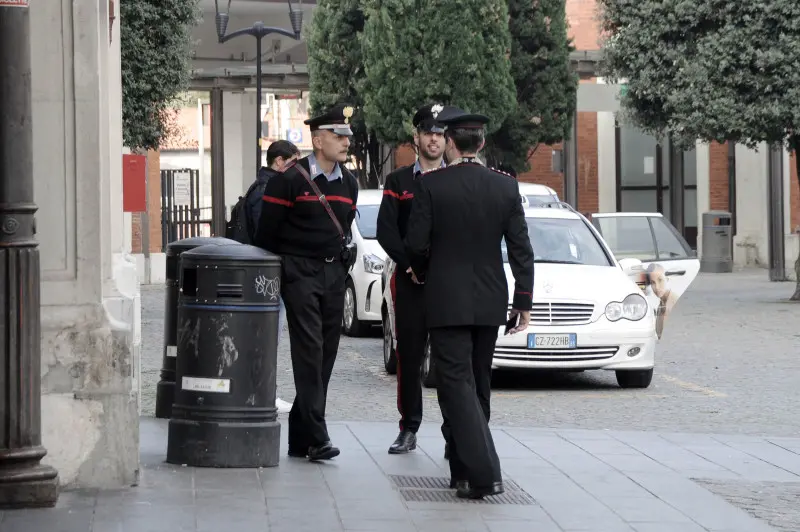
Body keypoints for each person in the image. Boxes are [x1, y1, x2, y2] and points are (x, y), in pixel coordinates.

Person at [404, 106, 534, 499]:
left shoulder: (432, 185)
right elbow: (521, 250)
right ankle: (461, 470)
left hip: (446, 299)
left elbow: (415, 244)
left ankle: (483, 471)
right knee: (478, 384)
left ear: (449, 142)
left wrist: (423, 271)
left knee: (455, 384)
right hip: (490, 298)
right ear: (480, 142)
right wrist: (522, 301)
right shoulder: (505, 186)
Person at [255, 104, 359, 461]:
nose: (346, 142)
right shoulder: (290, 180)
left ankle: (301, 437)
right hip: (299, 273)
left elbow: (343, 227)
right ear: (317, 139)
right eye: (338, 135)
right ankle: (318, 434)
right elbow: (266, 233)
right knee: (309, 351)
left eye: (347, 136)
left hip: (334, 274)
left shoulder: (350, 183)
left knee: (326, 353)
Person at [376, 103, 446, 455]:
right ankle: (409, 427)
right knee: (409, 354)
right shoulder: (399, 181)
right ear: (416, 137)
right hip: (409, 281)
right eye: (428, 132)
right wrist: (409, 265)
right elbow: (385, 231)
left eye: (440, 133)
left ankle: (456, 428)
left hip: (448, 283)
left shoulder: (456, 179)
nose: (434, 138)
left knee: (451, 357)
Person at [251, 141, 301, 415]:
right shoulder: (267, 190)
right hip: (267, 277)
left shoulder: (264, 186)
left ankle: (266, 392)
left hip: (268, 275)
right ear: (279, 161)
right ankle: (265, 393)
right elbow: (266, 235)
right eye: (294, 161)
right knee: (268, 338)